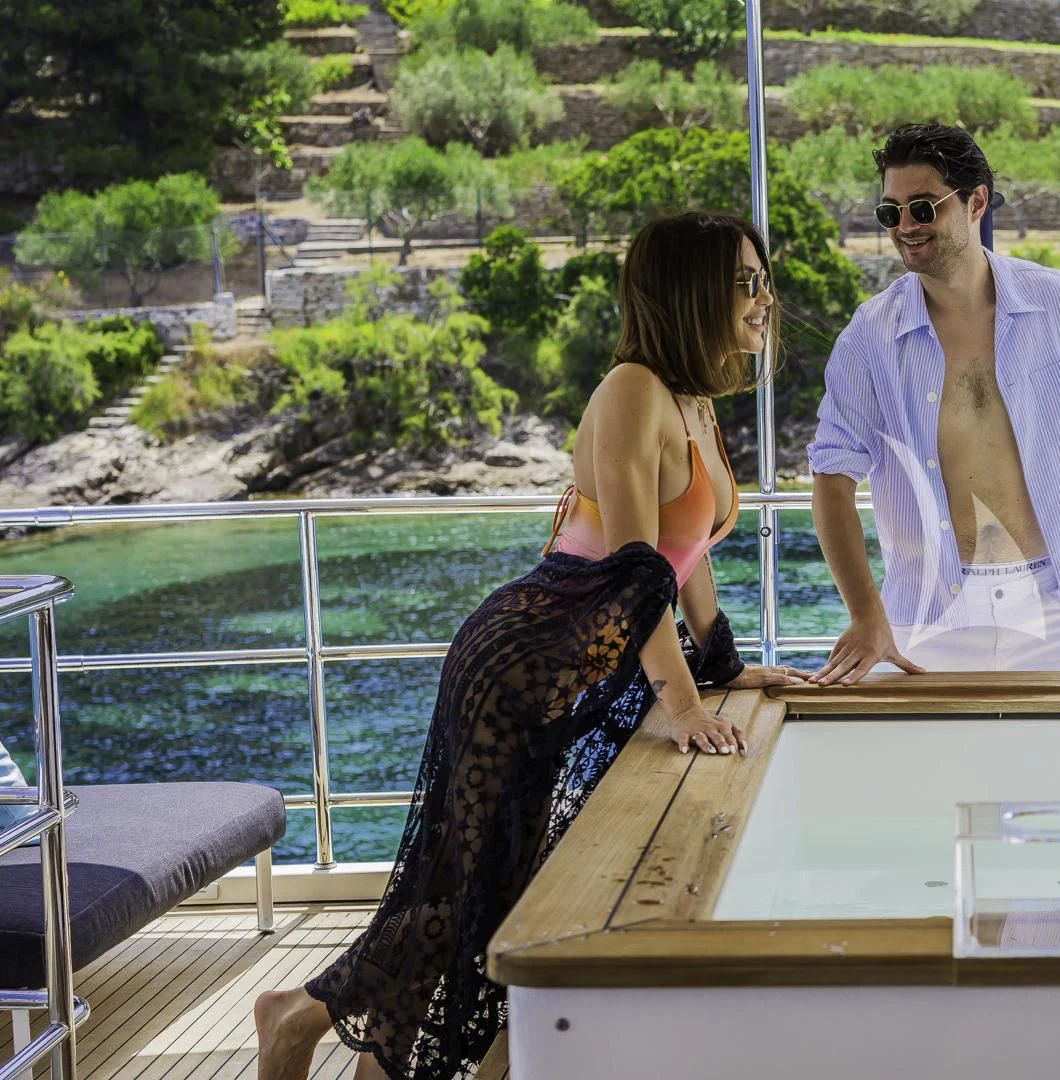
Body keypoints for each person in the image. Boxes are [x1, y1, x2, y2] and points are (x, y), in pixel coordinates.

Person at [252, 211, 807, 1080]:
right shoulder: (631, 390)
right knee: (487, 895)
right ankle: (301, 1011)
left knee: (507, 889)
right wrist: (687, 704)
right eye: (745, 281)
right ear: (690, 290)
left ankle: (362, 1042)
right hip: (520, 666)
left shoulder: (694, 401)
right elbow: (632, 573)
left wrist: (727, 664)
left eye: (762, 278)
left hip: (580, 674)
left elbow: (684, 559)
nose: (763, 297)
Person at [807, 123, 1060, 683]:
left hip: (1053, 607)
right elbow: (832, 478)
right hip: (925, 617)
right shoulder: (869, 337)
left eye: (922, 207)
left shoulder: (1059, 303)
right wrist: (866, 616)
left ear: (976, 201)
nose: (906, 228)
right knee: (919, 772)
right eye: (891, 213)